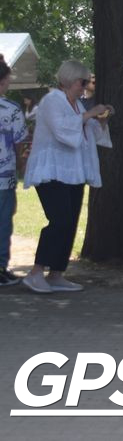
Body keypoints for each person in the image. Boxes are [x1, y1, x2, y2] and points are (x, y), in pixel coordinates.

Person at [21, 60, 112, 293]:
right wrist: (90, 113)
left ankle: (57, 273)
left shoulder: (78, 105)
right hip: (51, 171)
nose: (85, 87)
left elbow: (87, 133)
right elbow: (63, 132)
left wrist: (100, 121)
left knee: (70, 222)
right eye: (83, 82)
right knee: (59, 220)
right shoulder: (52, 100)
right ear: (71, 80)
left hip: (73, 171)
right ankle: (36, 272)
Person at [0, 55, 30, 286]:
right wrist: (22, 164)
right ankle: (1, 267)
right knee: (3, 222)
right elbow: (19, 141)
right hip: (4, 176)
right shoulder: (11, 109)